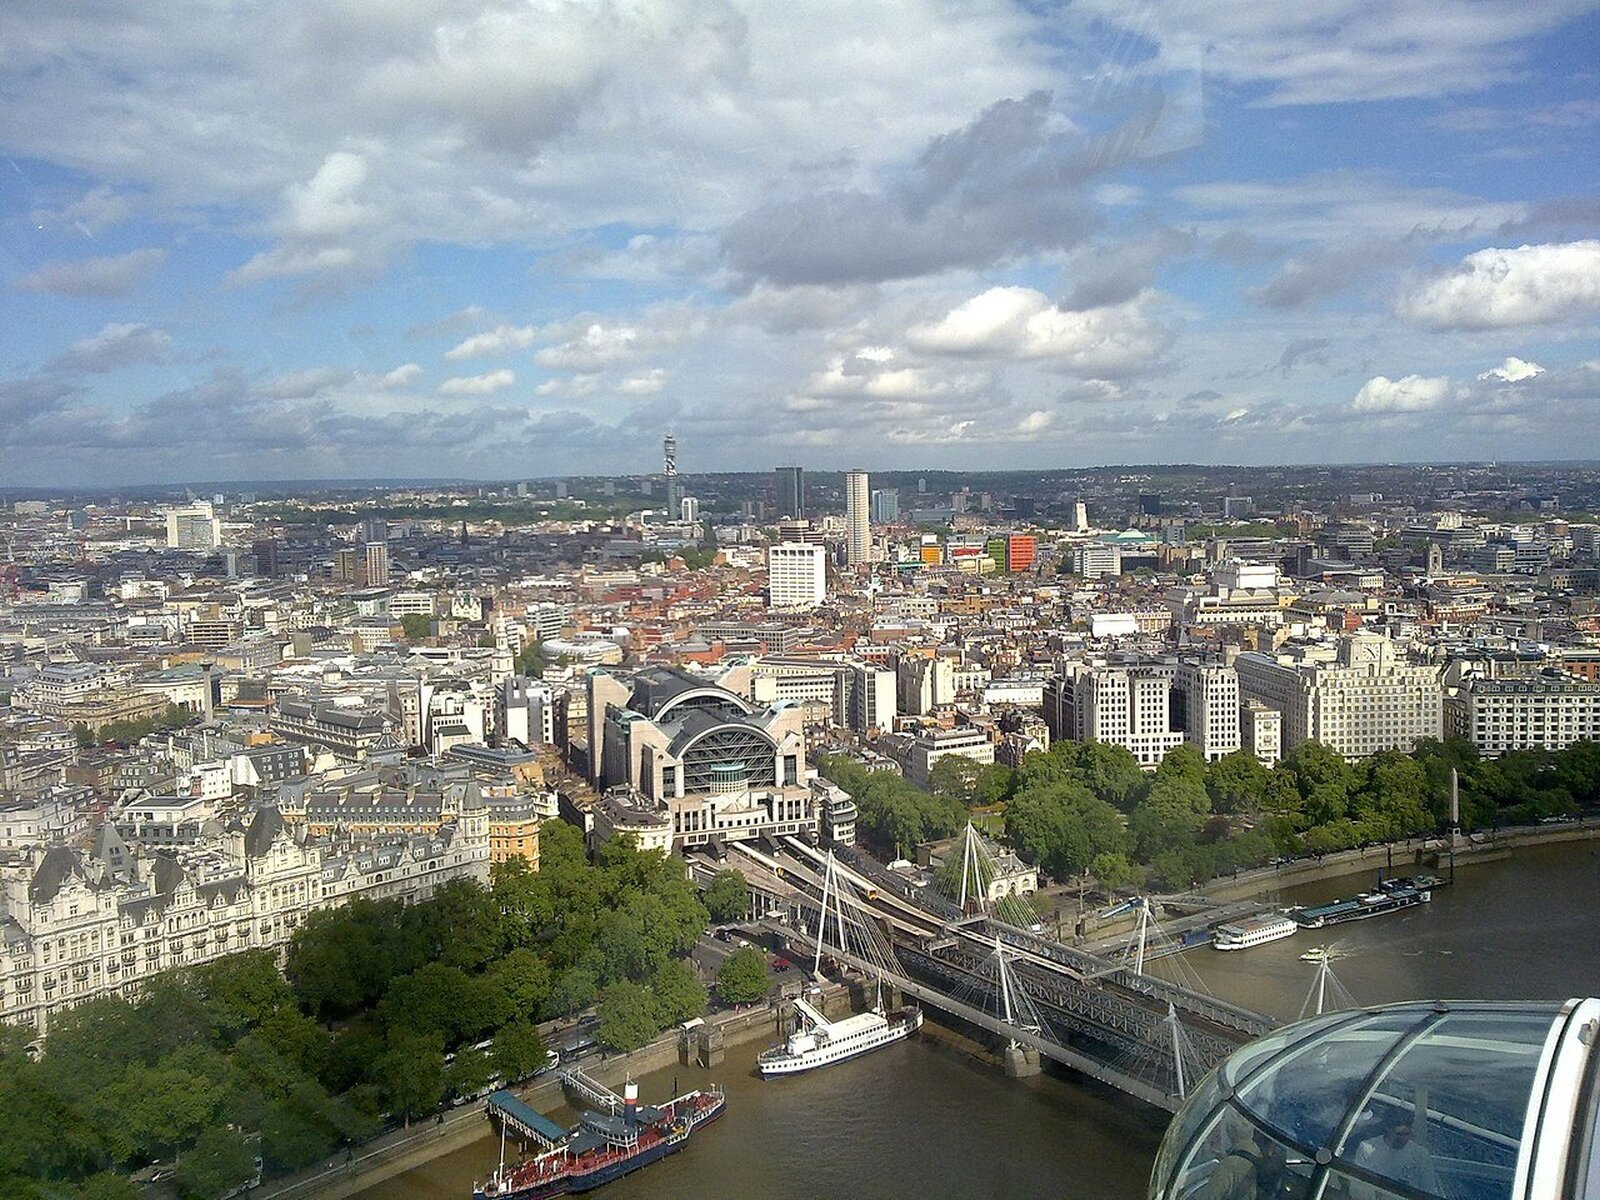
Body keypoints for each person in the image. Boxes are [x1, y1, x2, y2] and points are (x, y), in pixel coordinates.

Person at [1351, 1112, 1440, 1196]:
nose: (1403, 1139)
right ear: (1388, 1129)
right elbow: (1357, 1184)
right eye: (1399, 1134)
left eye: (1407, 1134)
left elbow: (1429, 1189)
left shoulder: (1421, 1154)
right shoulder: (1367, 1148)